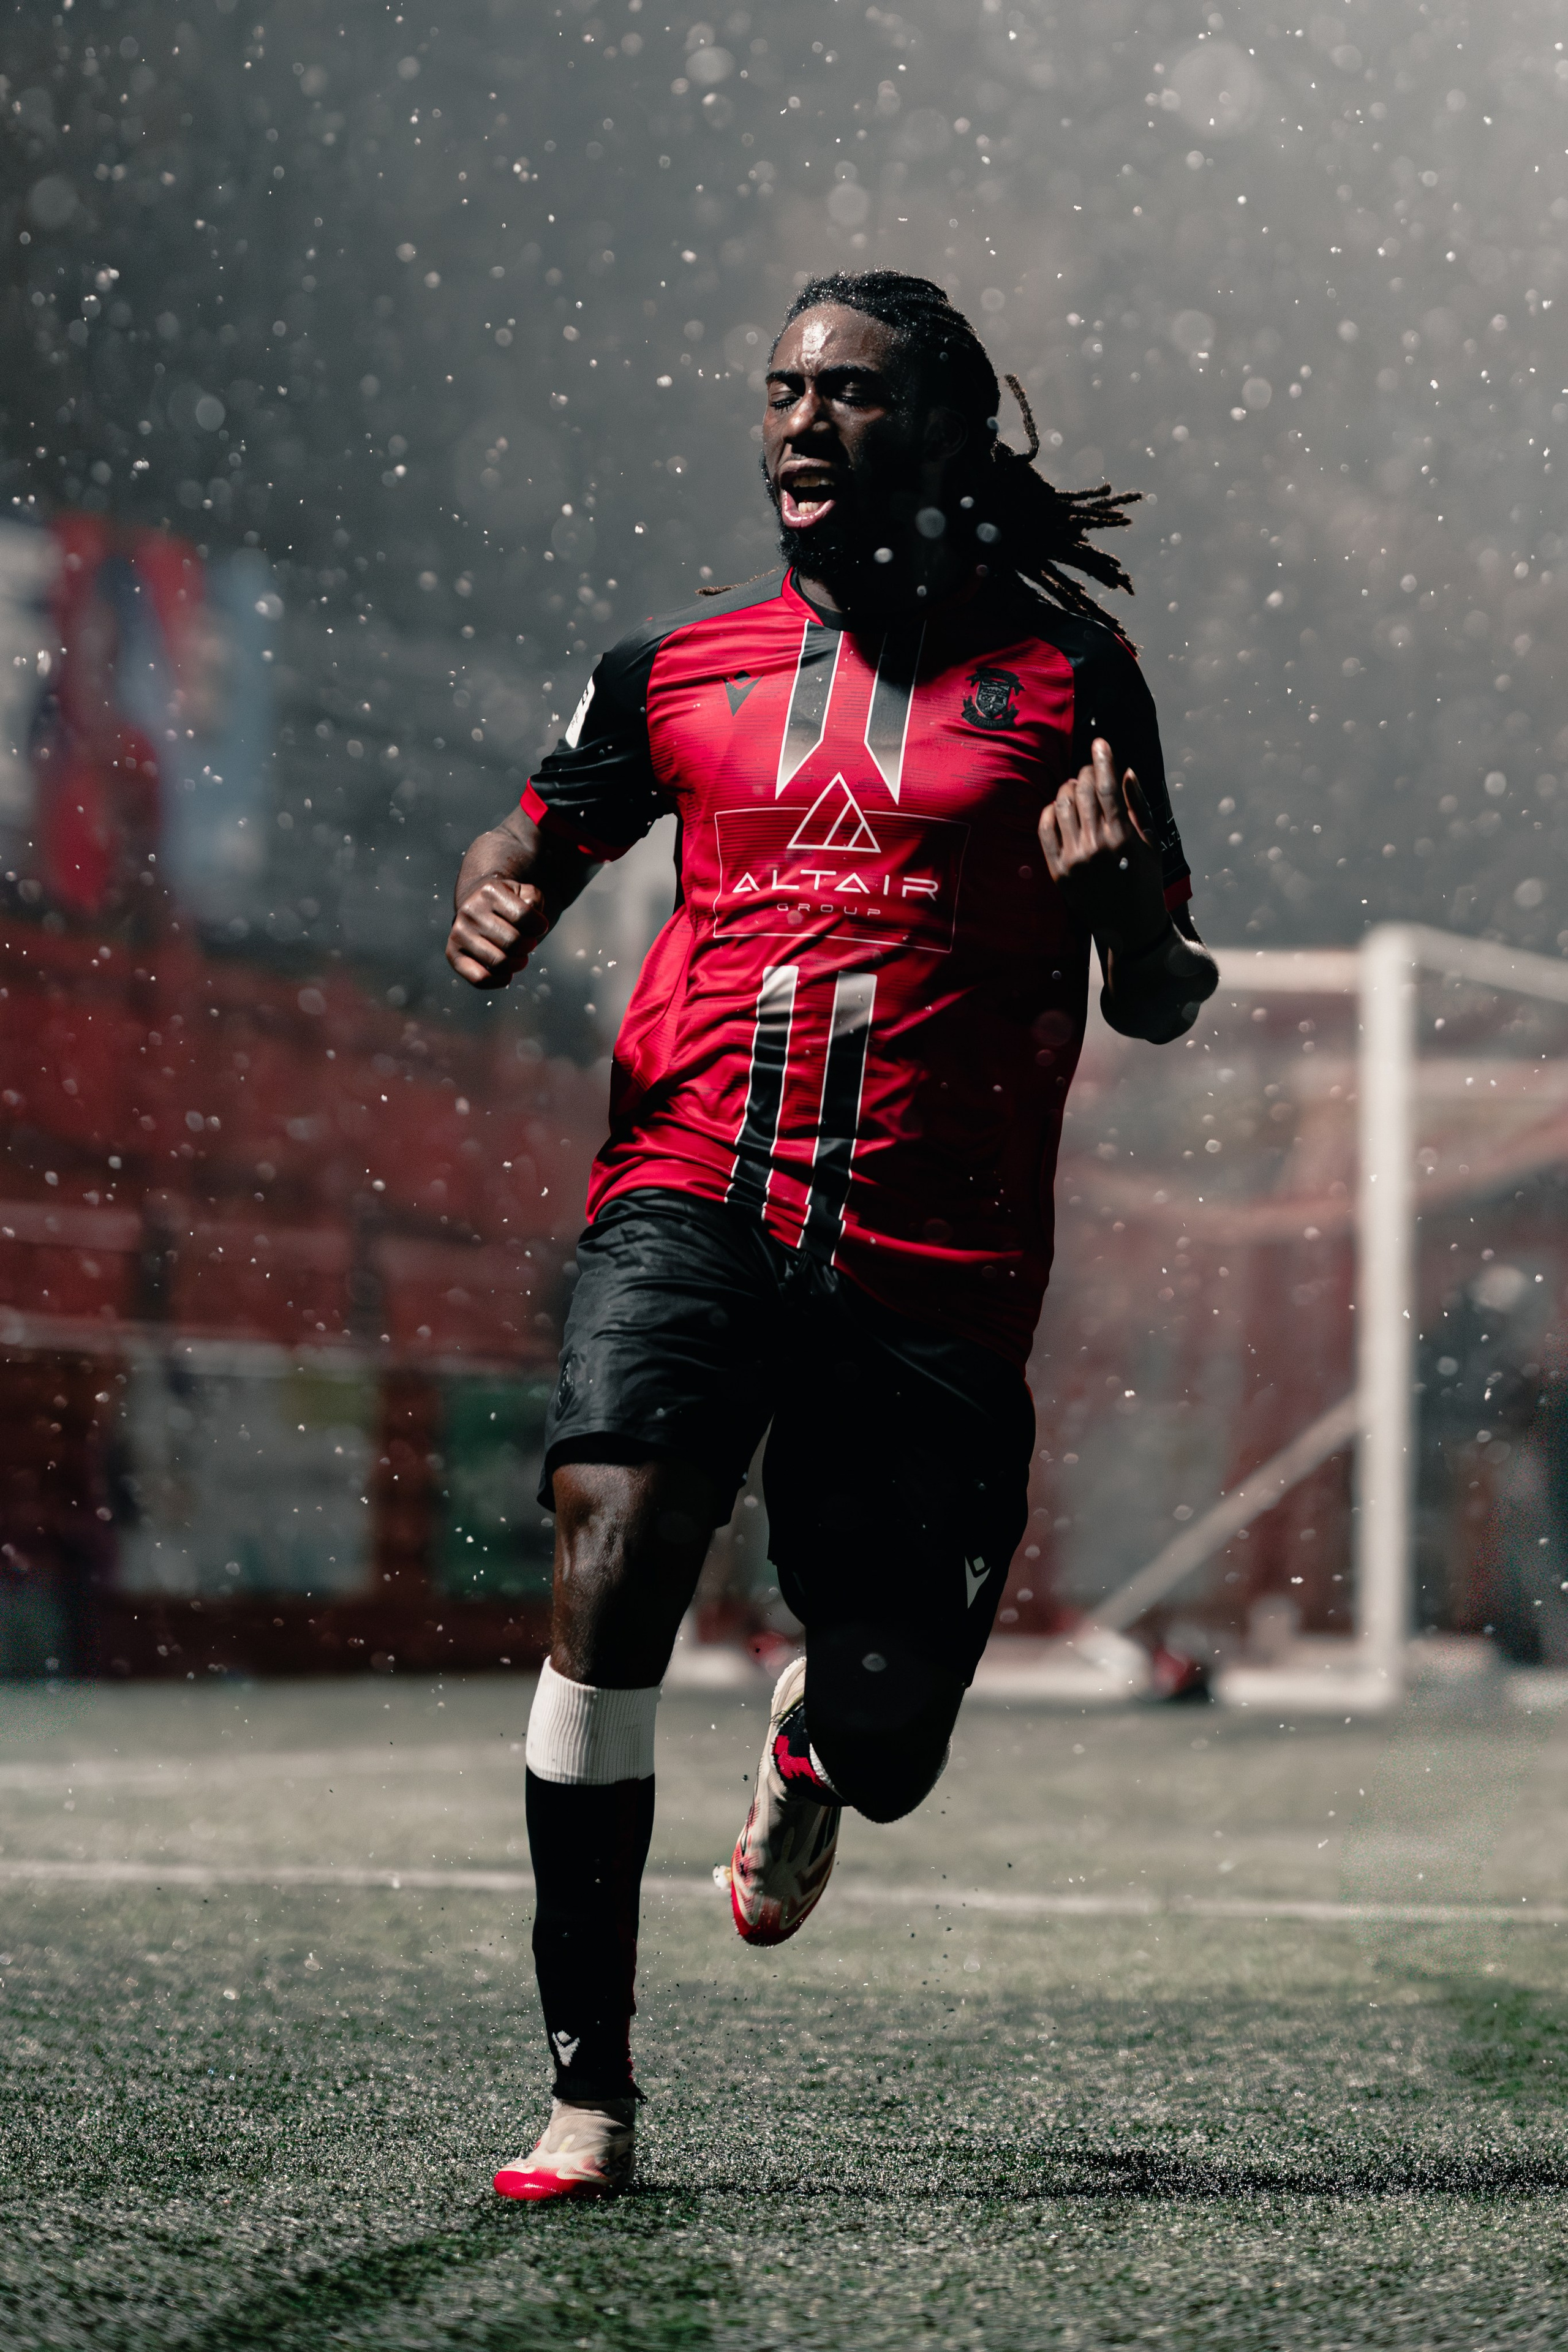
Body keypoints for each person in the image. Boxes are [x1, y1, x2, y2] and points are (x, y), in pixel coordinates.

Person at [445, 270, 1217, 2201]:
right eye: (784, 390)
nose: (804, 422)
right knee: (612, 1549)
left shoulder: (1065, 685)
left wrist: (1127, 914)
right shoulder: (670, 672)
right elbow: (531, 831)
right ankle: (590, 2089)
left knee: (887, 1736)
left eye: (854, 394)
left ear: (946, 431)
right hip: (687, 1188)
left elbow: (1164, 992)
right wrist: (501, 893)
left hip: (930, 1263)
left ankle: (817, 1754)